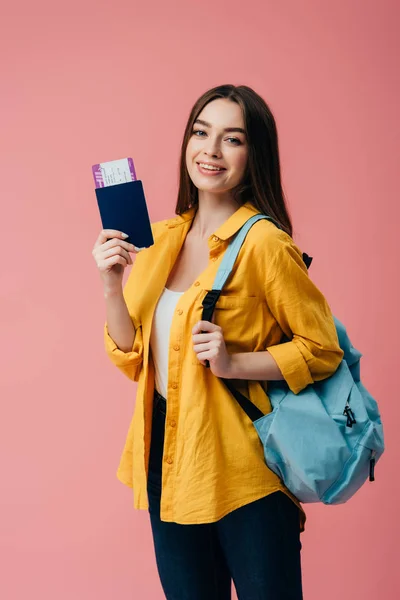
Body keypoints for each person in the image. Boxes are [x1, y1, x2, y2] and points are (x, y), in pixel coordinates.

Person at [92, 84, 344, 599]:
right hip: (168, 466)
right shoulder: (159, 239)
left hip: (243, 472)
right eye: (201, 132)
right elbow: (134, 358)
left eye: (232, 139)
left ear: (254, 156)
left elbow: (321, 349)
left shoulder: (264, 243)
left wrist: (234, 362)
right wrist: (110, 285)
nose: (210, 150)